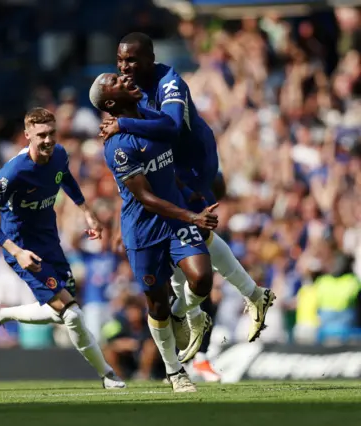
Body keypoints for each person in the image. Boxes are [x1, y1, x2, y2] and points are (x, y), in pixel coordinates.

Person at [100, 32, 276, 349]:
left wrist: (124, 125)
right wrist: (117, 219)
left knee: (189, 230)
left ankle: (194, 312)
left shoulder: (169, 82)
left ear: (149, 60)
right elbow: (128, 175)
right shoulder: (128, 92)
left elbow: (172, 128)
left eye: (131, 60)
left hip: (192, 164)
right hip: (168, 167)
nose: (124, 67)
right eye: (120, 60)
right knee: (185, 236)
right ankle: (239, 299)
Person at [0, 107, 126, 389]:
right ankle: (107, 375)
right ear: (27, 135)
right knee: (72, 313)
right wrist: (15, 252)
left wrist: (86, 211)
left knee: (61, 313)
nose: (48, 140)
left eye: (52, 133)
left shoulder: (59, 155)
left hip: (51, 243)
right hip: (24, 250)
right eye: (41, 135)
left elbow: (65, 177)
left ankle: (1, 315)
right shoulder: (13, 172)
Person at [90, 72, 220, 392]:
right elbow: (146, 198)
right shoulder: (117, 146)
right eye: (115, 81)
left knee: (202, 279)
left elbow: (172, 130)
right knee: (156, 304)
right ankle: (175, 371)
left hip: (175, 220)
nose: (124, 77)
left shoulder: (149, 116)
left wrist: (186, 193)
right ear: (110, 102)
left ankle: (181, 315)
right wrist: (193, 215)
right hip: (144, 231)